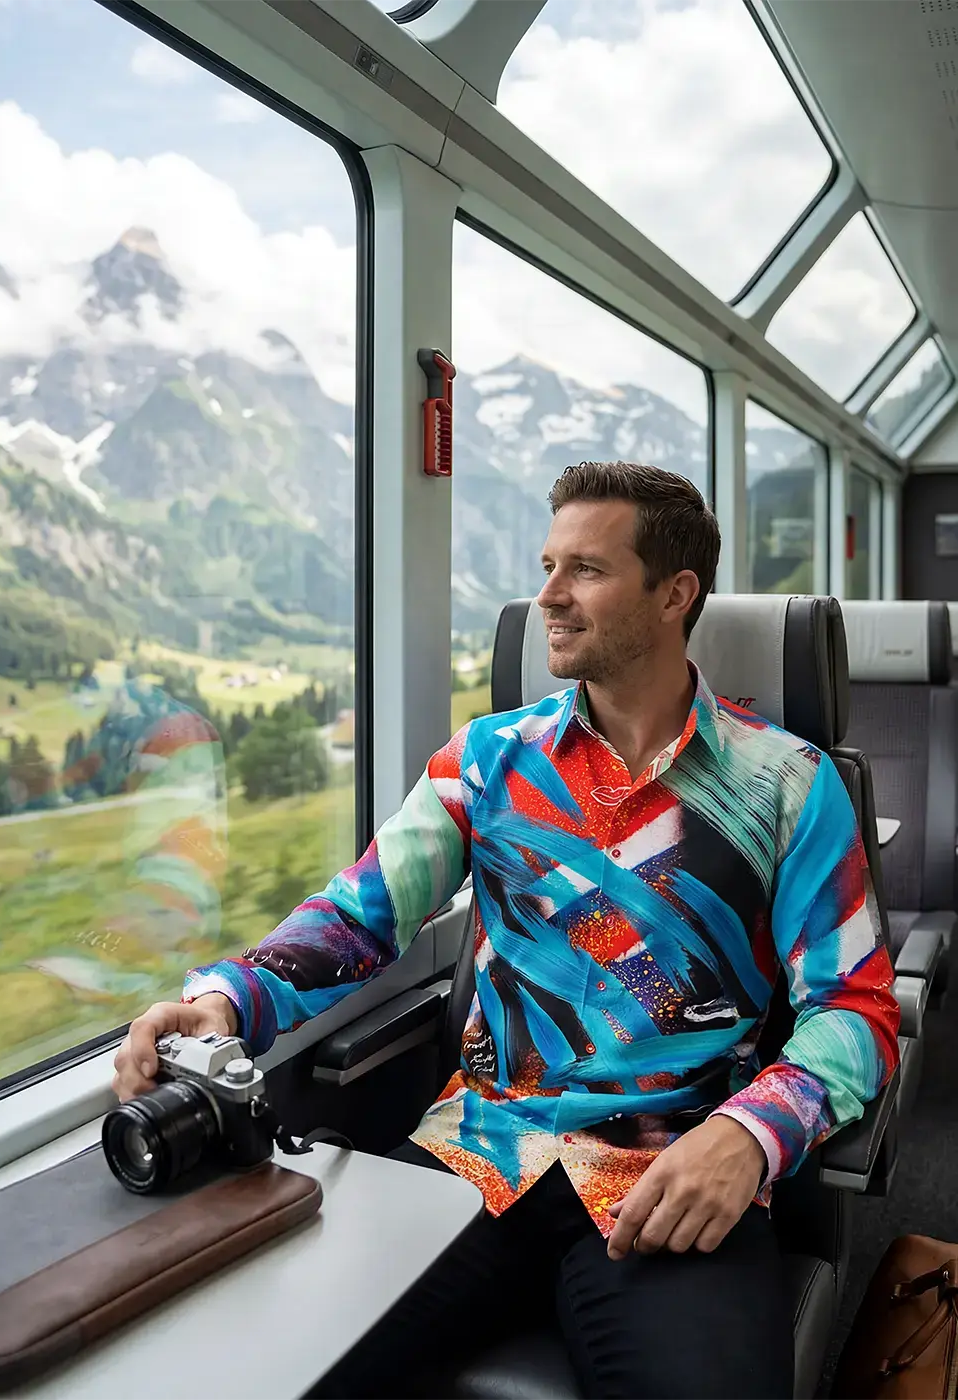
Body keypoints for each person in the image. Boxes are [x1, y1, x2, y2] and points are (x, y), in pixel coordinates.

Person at [114, 461, 899, 1400]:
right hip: (474, 1156)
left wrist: (751, 1137)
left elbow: (856, 1011)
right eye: (547, 564)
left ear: (673, 594)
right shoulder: (489, 760)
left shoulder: (789, 787)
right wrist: (226, 1000)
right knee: (273, 1376)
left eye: (586, 570)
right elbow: (359, 914)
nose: (548, 598)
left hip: (670, 1177)